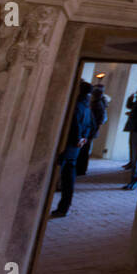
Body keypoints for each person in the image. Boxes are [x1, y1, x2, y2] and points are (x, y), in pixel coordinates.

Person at [51, 82, 96, 218]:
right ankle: (64, 207)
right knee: (68, 178)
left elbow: (74, 124)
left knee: (62, 176)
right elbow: (91, 125)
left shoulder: (75, 105)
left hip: (68, 145)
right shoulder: (87, 107)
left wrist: (78, 138)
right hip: (75, 147)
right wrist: (84, 138)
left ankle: (62, 207)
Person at [76, 83, 110, 176]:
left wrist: (91, 130)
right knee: (85, 150)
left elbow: (97, 119)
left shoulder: (97, 105)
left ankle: (81, 169)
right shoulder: (97, 103)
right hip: (91, 130)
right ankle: (81, 169)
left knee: (84, 151)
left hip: (90, 130)